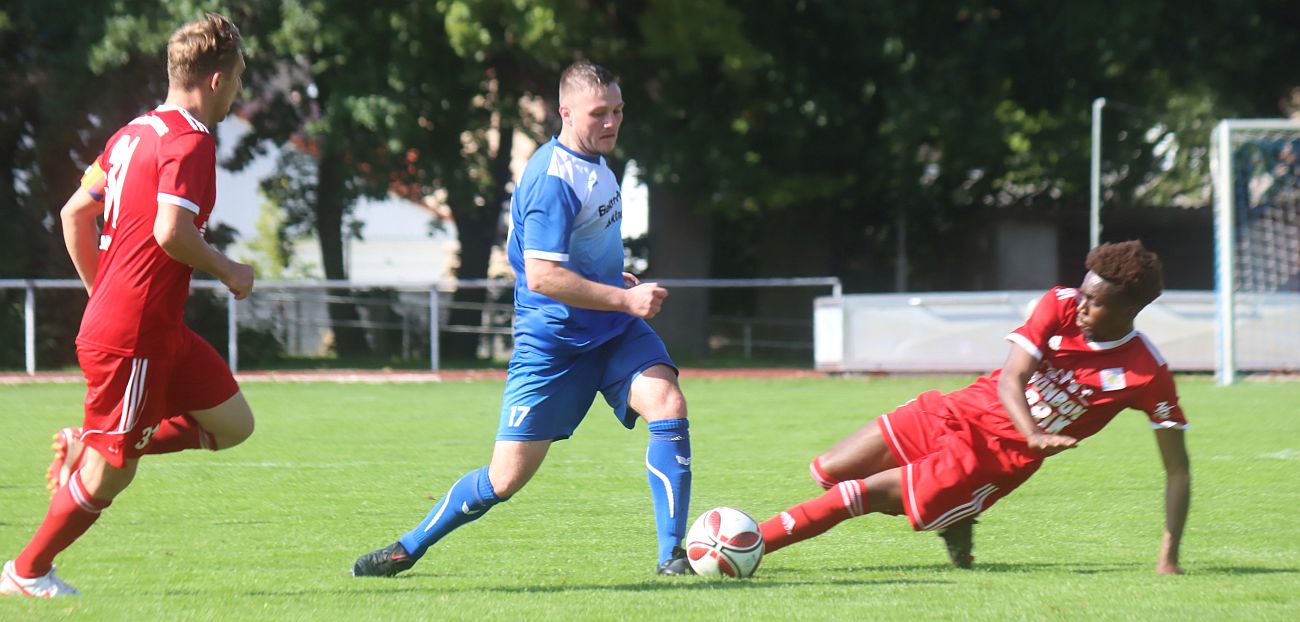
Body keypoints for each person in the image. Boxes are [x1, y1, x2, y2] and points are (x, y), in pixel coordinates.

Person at [352, 60, 695, 577]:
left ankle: (673, 556)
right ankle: (409, 546)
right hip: (554, 345)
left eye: (618, 111)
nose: (611, 122)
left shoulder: (599, 164)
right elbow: (541, 276)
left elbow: (580, 252)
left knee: (667, 402)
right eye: (599, 112)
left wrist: (612, 284)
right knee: (503, 480)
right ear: (565, 112)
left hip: (611, 330)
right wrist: (623, 299)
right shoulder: (550, 179)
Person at [1, 14, 255, 598]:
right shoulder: (191, 140)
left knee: (233, 423)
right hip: (135, 333)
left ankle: (91, 438)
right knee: (113, 472)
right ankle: (27, 570)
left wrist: (103, 292)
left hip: (152, 326)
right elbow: (172, 231)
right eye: (239, 77)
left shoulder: (132, 135)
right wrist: (230, 271)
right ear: (216, 80)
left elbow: (74, 215)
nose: (238, 90)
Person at [755, 241, 1190, 575]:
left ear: (1130, 309)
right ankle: (954, 516)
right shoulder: (1060, 303)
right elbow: (1012, 378)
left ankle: (742, 547)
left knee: (857, 496)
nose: (1081, 306)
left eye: (1094, 303)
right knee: (831, 471)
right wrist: (1035, 432)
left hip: (989, 458)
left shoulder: (1146, 372)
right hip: (959, 409)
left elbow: (1177, 471)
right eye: (1083, 293)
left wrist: (1168, 557)